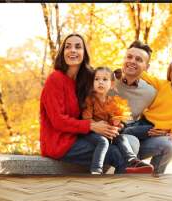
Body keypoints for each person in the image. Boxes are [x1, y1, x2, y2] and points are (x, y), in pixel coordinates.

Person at [40, 33, 128, 174]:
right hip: (59, 144)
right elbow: (58, 120)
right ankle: (116, 192)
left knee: (122, 143)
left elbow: (103, 98)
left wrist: (112, 124)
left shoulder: (85, 80)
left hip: (79, 137)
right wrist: (92, 126)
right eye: (68, 47)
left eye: (78, 47)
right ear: (63, 53)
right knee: (115, 154)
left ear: (84, 53)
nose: (72, 50)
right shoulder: (55, 79)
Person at [110, 40, 172, 176]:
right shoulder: (107, 81)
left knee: (170, 144)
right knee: (132, 143)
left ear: (146, 67)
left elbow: (165, 112)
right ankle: (118, 188)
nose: (132, 61)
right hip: (108, 134)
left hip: (131, 134)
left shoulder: (150, 92)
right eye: (129, 57)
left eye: (139, 59)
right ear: (123, 59)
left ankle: (151, 181)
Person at [81, 66, 153, 174]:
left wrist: (117, 124)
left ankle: (132, 160)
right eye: (97, 79)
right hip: (91, 133)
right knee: (103, 142)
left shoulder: (112, 101)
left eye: (105, 79)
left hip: (107, 132)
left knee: (122, 138)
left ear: (112, 84)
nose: (100, 82)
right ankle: (96, 170)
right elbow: (87, 120)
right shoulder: (90, 99)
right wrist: (97, 125)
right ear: (92, 83)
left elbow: (114, 119)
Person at [122, 60, 172, 148]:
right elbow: (148, 78)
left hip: (155, 128)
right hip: (144, 121)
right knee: (122, 128)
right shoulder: (164, 85)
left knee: (128, 132)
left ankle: (126, 156)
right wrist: (135, 66)